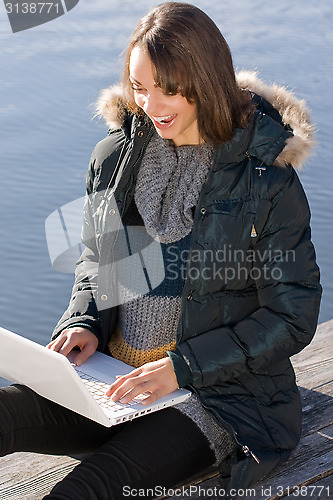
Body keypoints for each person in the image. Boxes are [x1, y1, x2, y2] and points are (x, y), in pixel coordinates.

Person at [0, 2, 322, 499]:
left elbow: (294, 314)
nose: (151, 105)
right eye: (140, 87)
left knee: (86, 489)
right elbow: (94, 263)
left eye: (168, 89)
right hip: (113, 382)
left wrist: (183, 368)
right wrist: (82, 322)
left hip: (215, 398)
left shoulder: (265, 178)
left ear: (205, 80)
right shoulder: (115, 157)